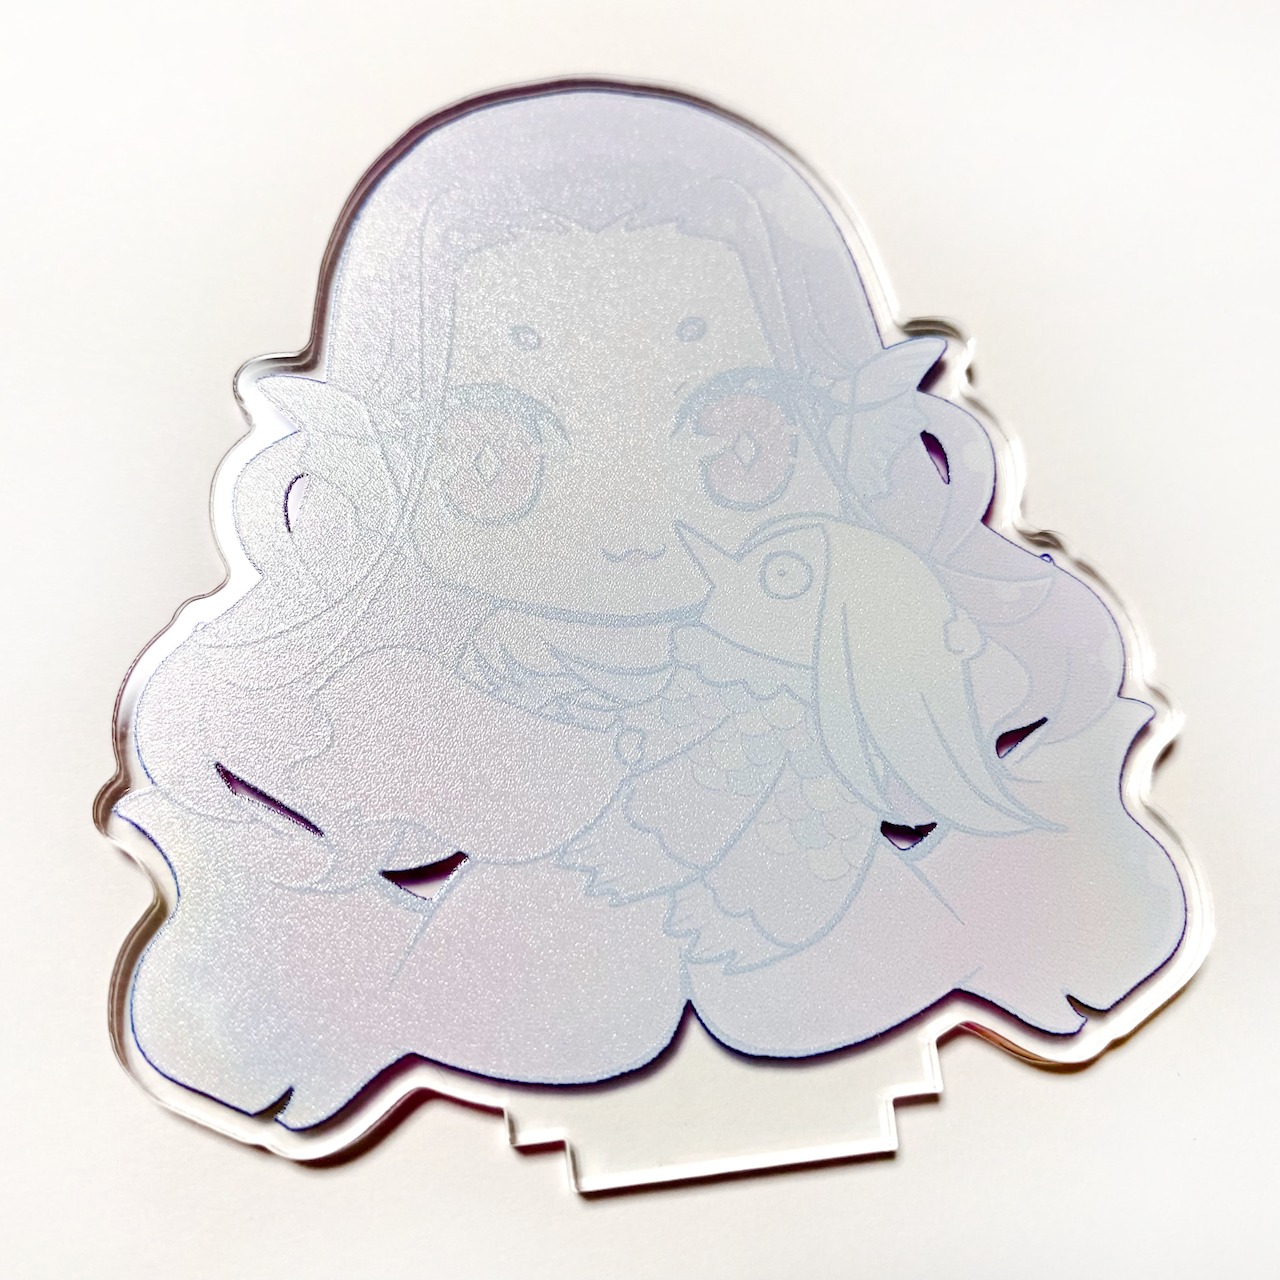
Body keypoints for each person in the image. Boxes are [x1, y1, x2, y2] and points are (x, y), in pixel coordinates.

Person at [116, 87, 1188, 1127]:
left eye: (732, 433)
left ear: (841, 429)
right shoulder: (346, 720)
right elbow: (232, 1036)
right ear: (377, 461)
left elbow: (1099, 933)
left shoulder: (915, 666)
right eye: (498, 446)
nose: (628, 521)